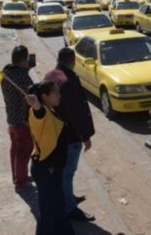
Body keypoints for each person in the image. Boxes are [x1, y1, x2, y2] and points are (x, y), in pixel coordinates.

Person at [44, 48, 95, 222]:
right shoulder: (68, 81)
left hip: (56, 133)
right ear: (72, 60)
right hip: (70, 136)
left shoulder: (50, 76)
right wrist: (86, 136)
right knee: (67, 173)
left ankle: (68, 198)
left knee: (64, 173)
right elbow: (77, 113)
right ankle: (69, 209)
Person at [25, 81, 75, 235]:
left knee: (57, 207)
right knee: (49, 213)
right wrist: (36, 105)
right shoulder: (41, 112)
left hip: (52, 168)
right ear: (45, 96)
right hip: (46, 168)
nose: (59, 95)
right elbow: (38, 115)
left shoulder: (50, 110)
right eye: (56, 92)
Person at [0, 45, 34, 191]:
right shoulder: (21, 77)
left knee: (15, 149)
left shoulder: (7, 72)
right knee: (24, 151)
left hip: (12, 119)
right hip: (22, 121)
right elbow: (31, 94)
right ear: (23, 60)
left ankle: (18, 175)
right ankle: (20, 181)